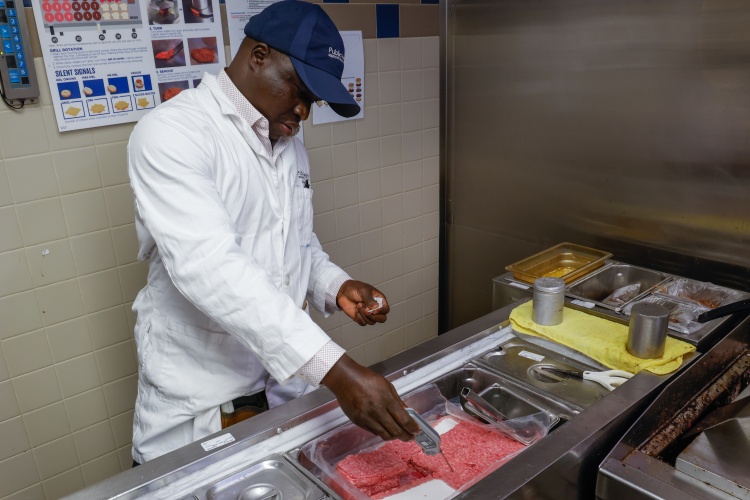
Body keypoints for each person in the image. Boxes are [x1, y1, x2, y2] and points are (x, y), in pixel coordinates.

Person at [127, 0, 418, 465]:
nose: (303, 110)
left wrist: (333, 284)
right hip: (203, 402)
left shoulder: (285, 141)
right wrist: (337, 370)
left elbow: (293, 241)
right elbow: (212, 267)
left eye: (313, 101)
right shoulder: (172, 134)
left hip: (281, 395)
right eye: (299, 89)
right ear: (258, 56)